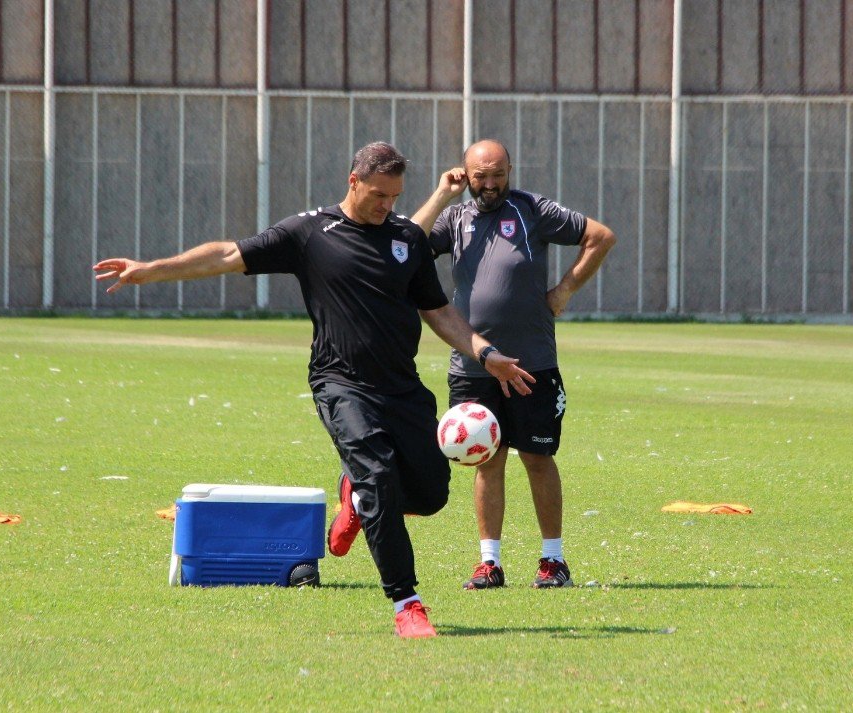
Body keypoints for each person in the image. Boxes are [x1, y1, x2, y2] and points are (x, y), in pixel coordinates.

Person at [94, 141, 535, 637]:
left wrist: (484, 353)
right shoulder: (310, 232)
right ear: (353, 182)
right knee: (378, 477)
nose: (386, 205)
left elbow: (438, 312)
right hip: (340, 383)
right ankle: (406, 603)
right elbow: (227, 254)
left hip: (403, 389)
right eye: (378, 195)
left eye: (394, 196)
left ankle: (354, 498)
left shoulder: (408, 238)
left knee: (431, 495)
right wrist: (151, 271)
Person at [412, 139, 615, 590]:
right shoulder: (454, 218)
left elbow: (600, 236)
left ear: (510, 169)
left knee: (539, 458)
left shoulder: (532, 210)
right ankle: (489, 563)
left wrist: (564, 290)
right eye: (479, 176)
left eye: (497, 174)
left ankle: (553, 561)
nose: (489, 184)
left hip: (532, 364)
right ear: (465, 174)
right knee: (488, 461)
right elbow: (404, 243)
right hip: (473, 365)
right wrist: (442, 194)